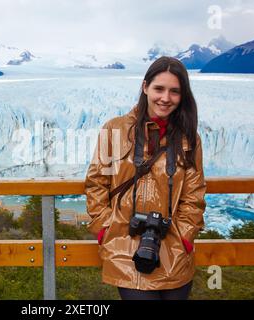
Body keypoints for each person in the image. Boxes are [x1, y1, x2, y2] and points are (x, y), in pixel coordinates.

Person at [84, 56, 206, 300]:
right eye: (159, 88)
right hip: (123, 245)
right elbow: (97, 182)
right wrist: (105, 229)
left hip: (172, 246)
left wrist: (184, 237)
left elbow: (194, 192)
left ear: (182, 96)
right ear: (145, 87)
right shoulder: (115, 129)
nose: (165, 98)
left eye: (174, 91)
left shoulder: (188, 138)